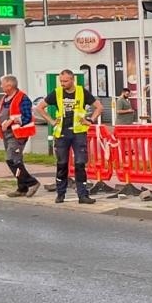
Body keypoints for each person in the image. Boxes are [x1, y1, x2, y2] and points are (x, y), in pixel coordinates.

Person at [34, 69, 103, 204]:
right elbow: (40, 107)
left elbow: (99, 107)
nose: (62, 83)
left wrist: (90, 120)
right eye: (61, 81)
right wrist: (52, 121)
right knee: (62, 164)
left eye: (65, 81)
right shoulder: (57, 92)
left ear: (72, 80)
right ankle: (60, 194)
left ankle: (83, 195)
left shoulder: (81, 91)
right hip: (62, 133)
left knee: (80, 163)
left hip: (78, 133)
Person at [0, 75, 40, 198]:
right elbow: (1, 115)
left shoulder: (23, 98)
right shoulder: (4, 98)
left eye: (2, 84)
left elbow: (27, 117)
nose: (0, 86)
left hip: (18, 134)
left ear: (9, 85)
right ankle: (22, 188)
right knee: (16, 161)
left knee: (12, 159)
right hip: (7, 134)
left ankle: (32, 182)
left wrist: (12, 121)